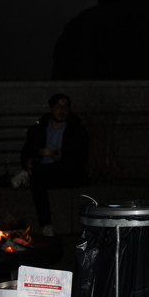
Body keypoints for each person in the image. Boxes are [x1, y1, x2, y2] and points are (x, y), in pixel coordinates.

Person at [17, 93, 89, 237]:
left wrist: (63, 156)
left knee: (40, 173)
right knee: (37, 182)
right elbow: (28, 150)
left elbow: (81, 157)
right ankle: (46, 225)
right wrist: (29, 161)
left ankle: (27, 175)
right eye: (58, 107)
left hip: (66, 172)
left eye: (65, 107)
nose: (62, 111)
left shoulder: (76, 130)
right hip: (44, 174)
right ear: (51, 109)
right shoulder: (39, 129)